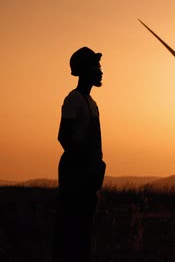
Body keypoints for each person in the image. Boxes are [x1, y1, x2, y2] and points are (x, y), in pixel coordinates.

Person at [53, 46, 106, 262]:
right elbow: (63, 136)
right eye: (96, 66)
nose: (101, 70)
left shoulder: (92, 103)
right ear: (84, 70)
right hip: (76, 174)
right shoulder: (73, 100)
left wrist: (97, 166)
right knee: (71, 229)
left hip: (89, 174)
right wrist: (83, 164)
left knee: (84, 230)